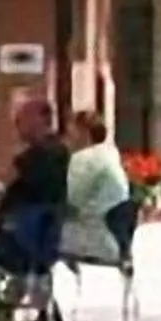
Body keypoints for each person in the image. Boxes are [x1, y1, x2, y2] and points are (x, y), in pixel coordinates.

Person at [0, 93, 72, 321]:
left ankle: (2, 308)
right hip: (43, 232)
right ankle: (41, 309)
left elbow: (4, 184)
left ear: (41, 119)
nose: (17, 123)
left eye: (22, 118)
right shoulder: (60, 150)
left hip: (26, 229)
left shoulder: (35, 155)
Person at [61, 109, 134, 264]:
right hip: (114, 235)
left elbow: (71, 199)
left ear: (84, 132)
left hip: (96, 235)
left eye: (71, 132)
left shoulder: (85, 159)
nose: (66, 137)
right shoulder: (108, 154)